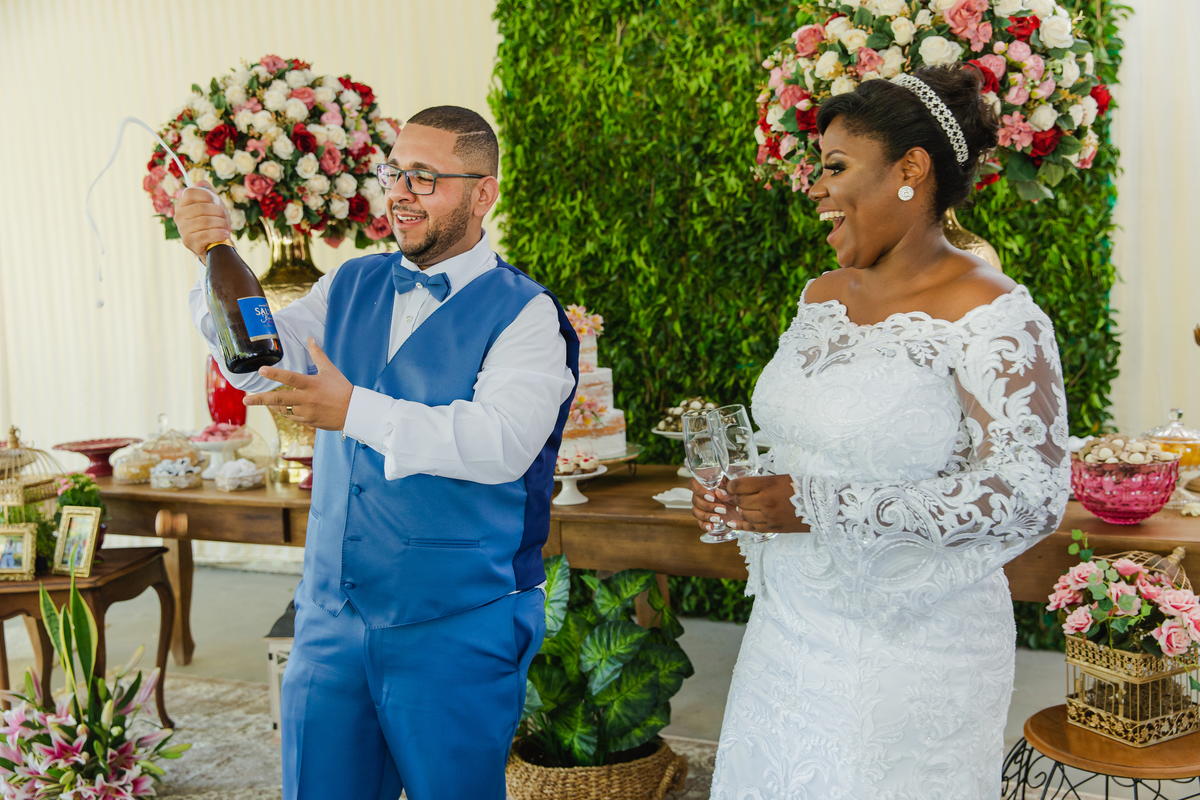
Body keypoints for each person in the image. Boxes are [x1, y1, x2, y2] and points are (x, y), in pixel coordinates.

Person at [175, 106, 578, 800]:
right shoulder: (349, 283)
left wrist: (352, 409)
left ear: (484, 193)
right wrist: (214, 256)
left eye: (426, 178)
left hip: (457, 628)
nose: (400, 192)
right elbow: (254, 364)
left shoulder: (528, 314)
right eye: (396, 173)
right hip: (330, 619)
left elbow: (501, 443)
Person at [691, 66, 1070, 798]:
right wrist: (747, 495)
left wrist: (820, 506)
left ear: (912, 170)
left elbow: (1031, 494)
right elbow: (813, 440)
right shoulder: (821, 295)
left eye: (835, 167)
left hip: (910, 649)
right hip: (786, 630)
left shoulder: (993, 314)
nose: (815, 187)